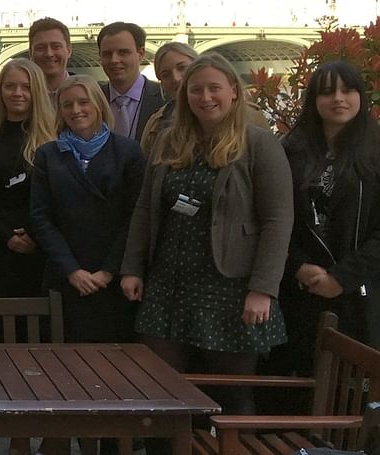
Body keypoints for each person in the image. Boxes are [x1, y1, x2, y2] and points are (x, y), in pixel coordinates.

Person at [121, 54, 292, 415]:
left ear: (233, 91)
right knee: (158, 389)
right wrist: (133, 267)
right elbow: (145, 209)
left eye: (214, 88)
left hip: (231, 289)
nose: (205, 97)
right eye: (195, 90)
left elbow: (278, 221)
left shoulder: (259, 143)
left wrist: (262, 289)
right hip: (169, 285)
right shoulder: (170, 141)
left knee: (230, 396)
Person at [272, 61, 380, 376]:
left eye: (347, 90)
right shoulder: (289, 152)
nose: (338, 99)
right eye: (327, 92)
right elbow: (273, 221)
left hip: (359, 294)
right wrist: (298, 266)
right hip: (297, 292)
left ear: (361, 96)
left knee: (351, 389)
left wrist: (341, 278)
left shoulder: (375, 153)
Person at [29, 74, 144, 343]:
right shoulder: (48, 154)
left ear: (98, 105)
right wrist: (72, 270)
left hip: (113, 279)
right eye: (67, 104)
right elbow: (41, 217)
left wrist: (107, 272)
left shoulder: (128, 152)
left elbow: (136, 216)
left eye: (83, 102)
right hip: (65, 276)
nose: (76, 110)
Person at [0, 59, 55, 299]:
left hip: (41, 250)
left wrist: (32, 233)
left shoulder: (55, 140)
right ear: (0, 91)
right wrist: (7, 235)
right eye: (10, 86)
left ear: (36, 91)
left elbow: (57, 198)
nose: (17, 93)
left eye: (26, 87)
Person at [97, 22, 163, 141]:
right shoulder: (93, 99)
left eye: (123, 53)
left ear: (141, 54)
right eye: (107, 54)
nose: (114, 60)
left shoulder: (164, 99)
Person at [139, 41, 198, 154]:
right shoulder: (155, 124)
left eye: (182, 68)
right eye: (166, 74)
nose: (176, 78)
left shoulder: (224, 114)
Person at [28, 17, 74, 103]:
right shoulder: (21, 98)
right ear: (30, 53)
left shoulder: (90, 94)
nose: (49, 54)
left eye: (56, 46)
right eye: (41, 48)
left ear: (69, 51)